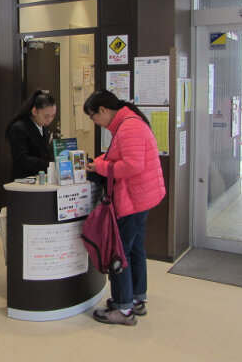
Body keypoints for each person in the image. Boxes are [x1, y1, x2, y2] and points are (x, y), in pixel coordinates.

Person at [83, 89, 165, 326]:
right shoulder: (128, 121)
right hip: (142, 197)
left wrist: (100, 168)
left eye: (93, 117)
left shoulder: (128, 126)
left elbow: (131, 166)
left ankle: (123, 308)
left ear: (103, 110)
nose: (94, 122)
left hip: (133, 199)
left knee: (119, 253)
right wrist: (99, 163)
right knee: (135, 249)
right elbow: (116, 157)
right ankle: (136, 300)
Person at [5, 89, 57, 181]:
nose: (49, 120)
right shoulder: (19, 128)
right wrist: (49, 165)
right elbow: (22, 159)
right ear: (34, 111)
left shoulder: (43, 126)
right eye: (46, 116)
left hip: (41, 178)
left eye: (53, 116)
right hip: (24, 180)